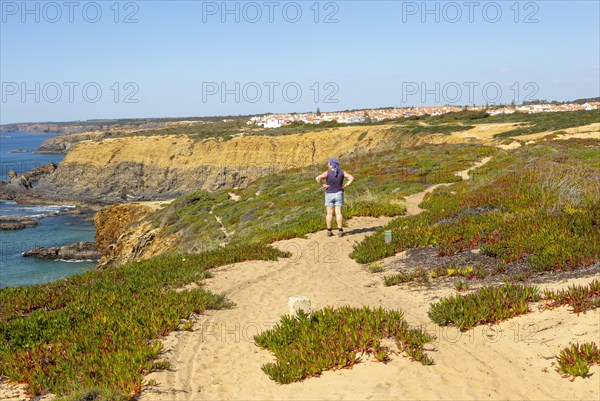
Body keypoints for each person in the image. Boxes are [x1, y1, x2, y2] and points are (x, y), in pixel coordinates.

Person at [315, 158, 354, 237]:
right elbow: (351, 178)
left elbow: (317, 178)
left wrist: (323, 185)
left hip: (329, 194)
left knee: (329, 213)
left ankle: (329, 231)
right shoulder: (342, 172)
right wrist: (345, 186)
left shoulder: (327, 173)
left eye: (328, 163)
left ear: (331, 164)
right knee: (338, 213)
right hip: (339, 193)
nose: (328, 165)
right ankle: (340, 230)